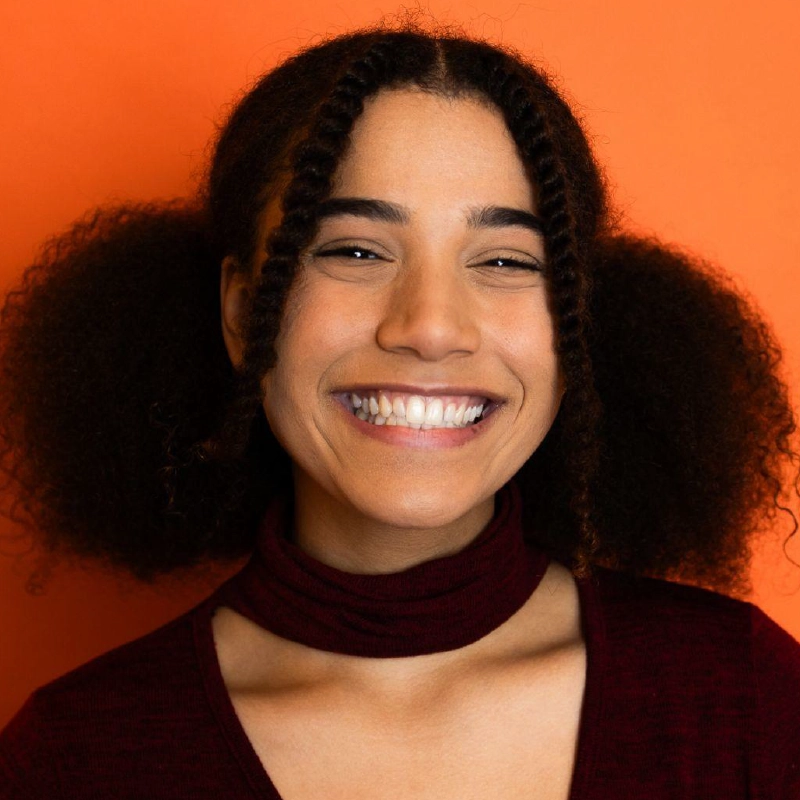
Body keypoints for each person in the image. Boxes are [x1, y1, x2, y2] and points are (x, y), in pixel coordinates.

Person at [1, 25, 799, 799]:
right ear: (244, 315)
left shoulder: (748, 699)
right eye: (355, 251)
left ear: (579, 325)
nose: (430, 325)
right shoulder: (72, 759)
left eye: (505, 260)